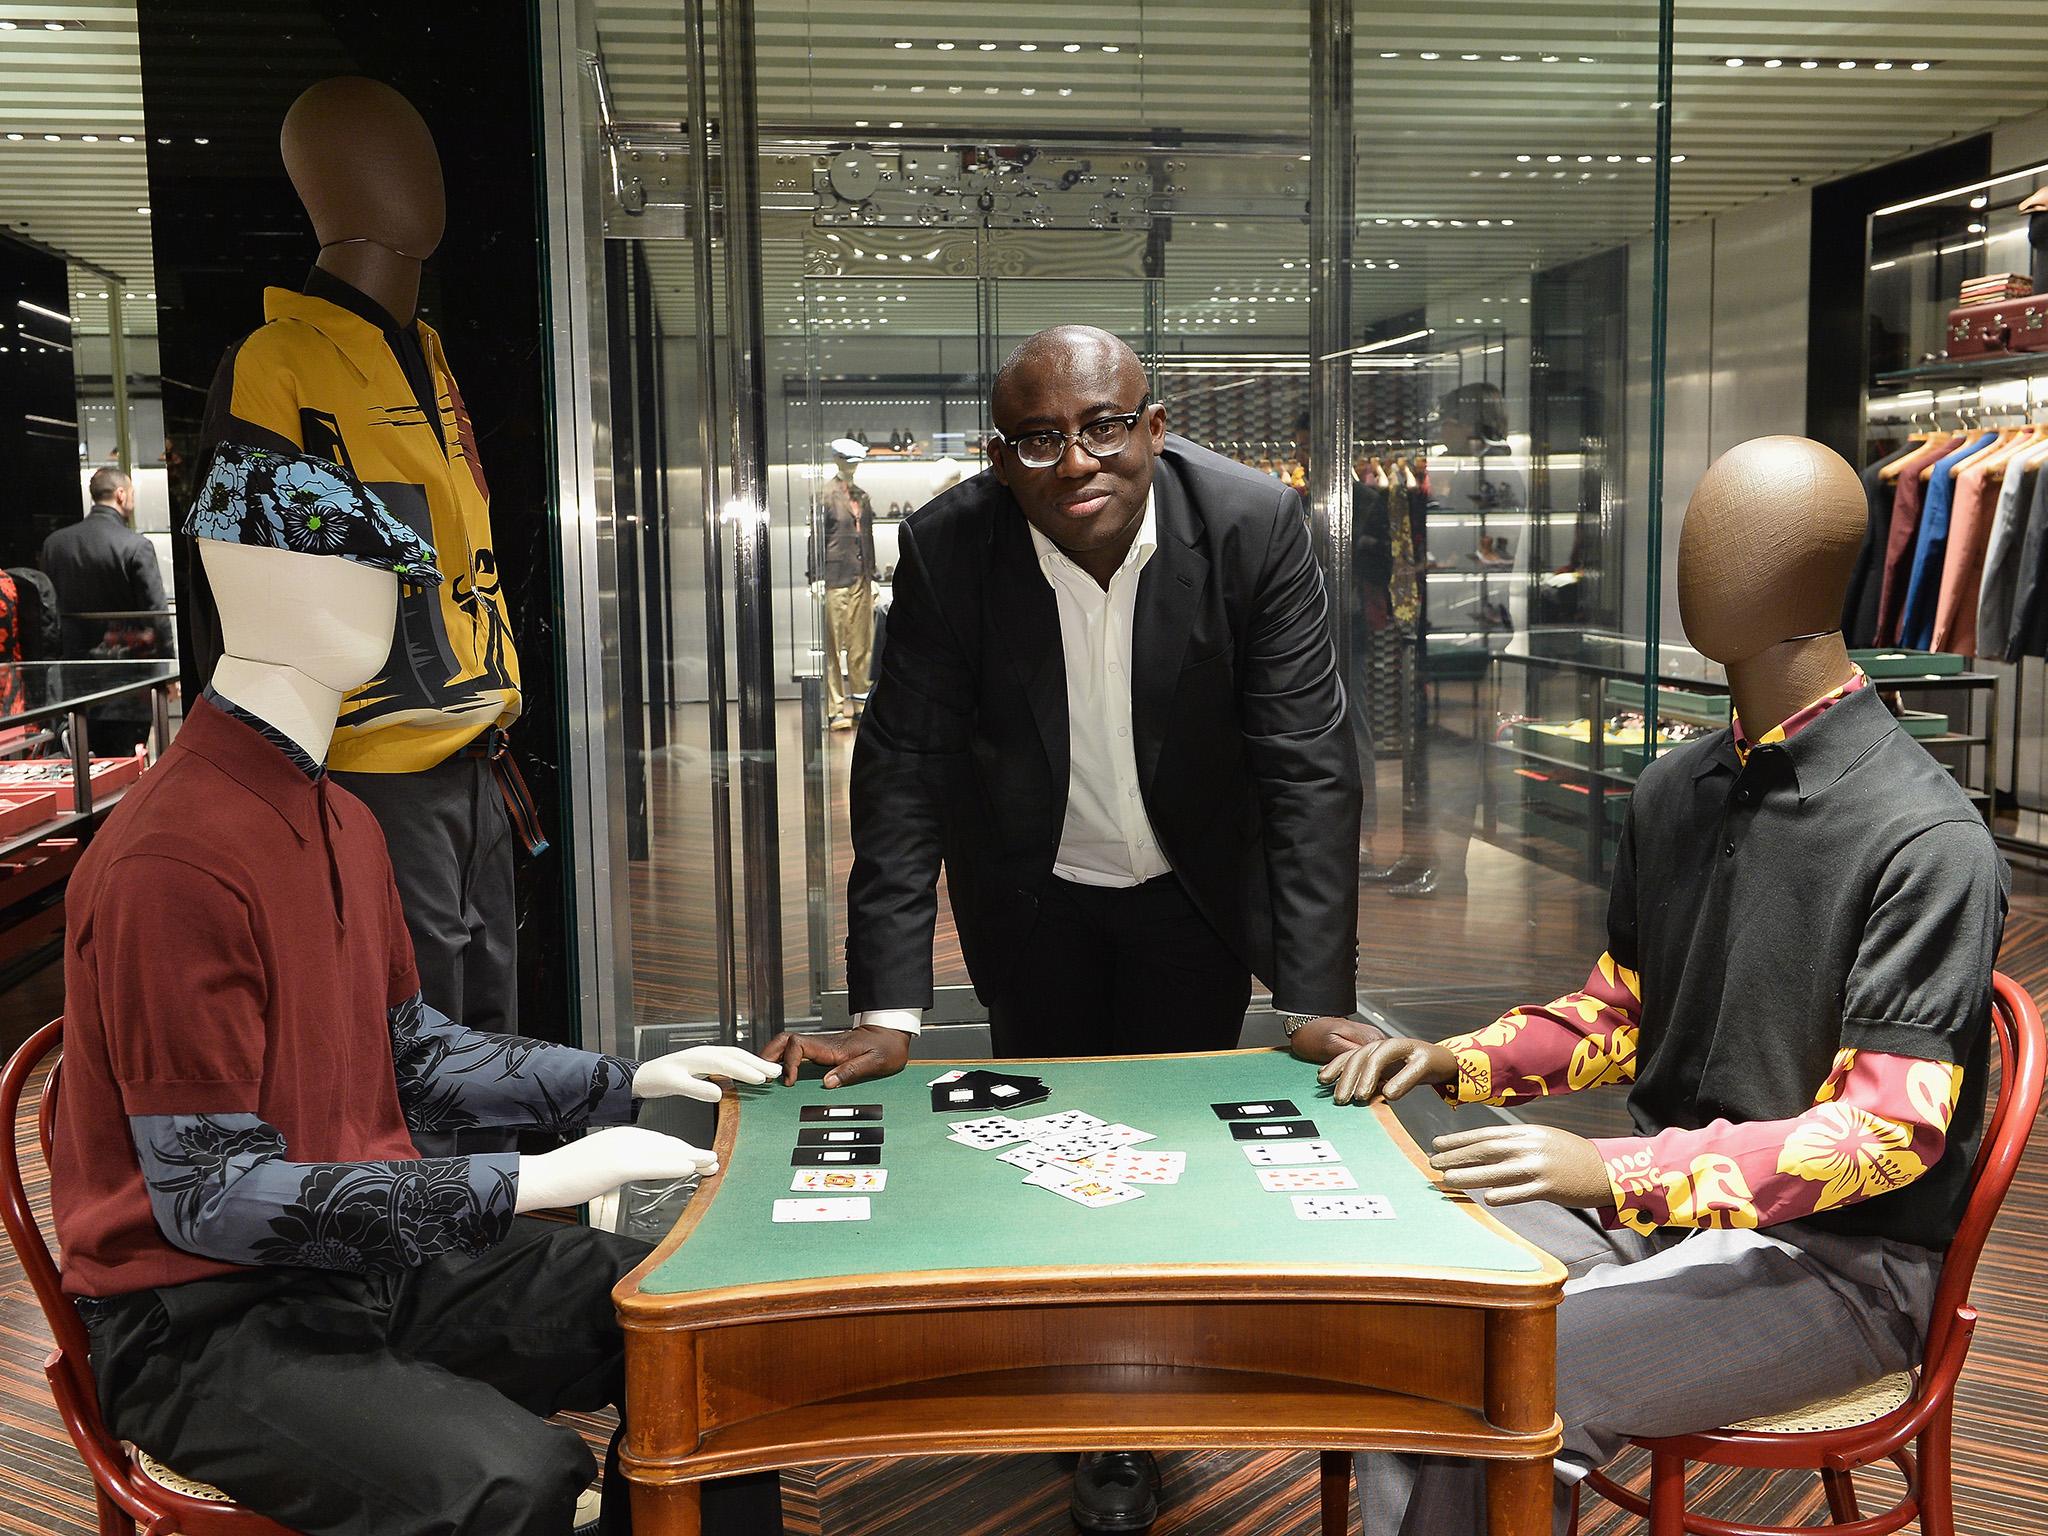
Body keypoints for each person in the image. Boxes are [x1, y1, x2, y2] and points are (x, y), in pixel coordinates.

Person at [51, 443, 785, 1536]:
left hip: (370, 1257)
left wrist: (626, 1083)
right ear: (257, 582)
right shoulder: (174, 859)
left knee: (700, 1331)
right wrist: (529, 1180)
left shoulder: (337, 813)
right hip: (203, 1316)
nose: (395, 598)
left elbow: (410, 1052)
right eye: (360, 569)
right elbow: (209, 1197)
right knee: (513, 1479)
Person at [1299, 437, 2007, 1536]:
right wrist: (1453, 1061)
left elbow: (1883, 1136)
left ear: (1805, 583)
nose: (1694, 567)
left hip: (1843, 1268)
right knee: (1417, 1298)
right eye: (1696, 537)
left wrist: (1610, 1168)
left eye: (1729, 545)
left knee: (1524, 1376)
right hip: (1661, 1218)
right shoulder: (1679, 785)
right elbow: (1618, 1014)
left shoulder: (1923, 837)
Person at [766, 324, 1365, 1533]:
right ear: (1000, 456)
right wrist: (888, 1010)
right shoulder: (947, 547)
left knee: (1168, 1155)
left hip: (1192, 896)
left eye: (1101, 427)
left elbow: (1308, 769)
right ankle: (1077, 1388)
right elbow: (903, 771)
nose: (1074, 461)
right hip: (1029, 894)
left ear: (1151, 427)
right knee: (1051, 1148)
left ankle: (1137, 1419)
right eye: (1038, 439)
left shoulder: (1251, 526)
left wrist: (1312, 999)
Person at [38, 466, 173, 754]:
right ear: (121, 495)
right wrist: (168, 672)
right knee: (125, 765)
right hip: (128, 681)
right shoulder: (136, 546)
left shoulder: (55, 544)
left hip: (72, 679)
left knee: (83, 767)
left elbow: (49, 614)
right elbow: (156, 615)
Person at [814, 437, 879, 730]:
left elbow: (868, 536)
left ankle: (862, 702)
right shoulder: (825, 495)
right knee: (833, 646)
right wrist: (816, 576)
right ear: (838, 461)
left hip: (861, 578)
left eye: (856, 464)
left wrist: (873, 575)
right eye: (848, 463)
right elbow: (816, 540)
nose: (852, 469)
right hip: (835, 578)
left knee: (862, 643)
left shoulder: (862, 496)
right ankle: (834, 708)